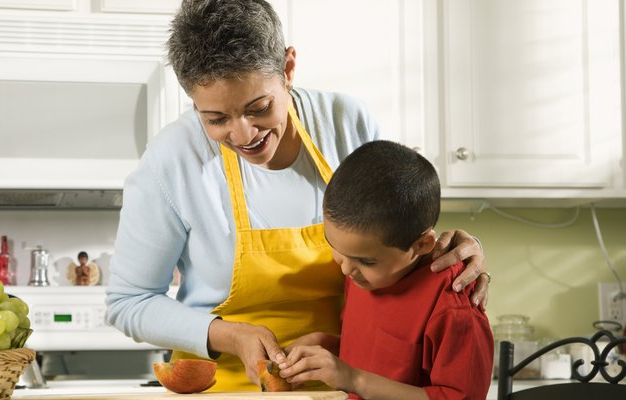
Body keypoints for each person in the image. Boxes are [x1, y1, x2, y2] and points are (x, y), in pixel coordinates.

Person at [106, 0, 490, 392]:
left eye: (259, 108)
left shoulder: (346, 121)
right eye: (215, 119)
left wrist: (451, 252)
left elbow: (393, 237)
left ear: (288, 69)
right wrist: (231, 336)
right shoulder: (173, 157)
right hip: (225, 387)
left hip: (352, 383)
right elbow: (129, 302)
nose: (243, 135)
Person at [278, 140, 494, 399]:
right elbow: (390, 361)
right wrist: (333, 348)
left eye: (366, 261)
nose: (347, 269)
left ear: (422, 245)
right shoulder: (367, 277)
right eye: (334, 247)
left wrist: (353, 378)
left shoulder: (453, 306)